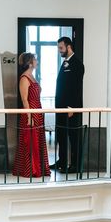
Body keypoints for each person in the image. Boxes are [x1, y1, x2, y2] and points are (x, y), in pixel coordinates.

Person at [12, 52, 51, 178]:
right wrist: (29, 116)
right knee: (30, 141)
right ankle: (31, 169)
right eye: (35, 59)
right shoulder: (24, 78)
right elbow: (25, 99)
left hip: (37, 111)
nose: (37, 61)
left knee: (37, 140)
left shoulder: (32, 76)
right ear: (30, 62)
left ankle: (39, 167)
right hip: (30, 112)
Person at [54, 37, 84, 174]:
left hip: (71, 108)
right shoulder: (65, 62)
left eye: (61, 48)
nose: (59, 51)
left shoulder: (77, 64)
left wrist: (72, 107)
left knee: (73, 137)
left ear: (69, 47)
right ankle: (62, 162)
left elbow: (77, 87)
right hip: (60, 108)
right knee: (61, 134)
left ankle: (76, 165)